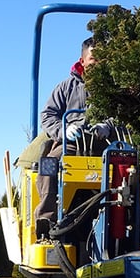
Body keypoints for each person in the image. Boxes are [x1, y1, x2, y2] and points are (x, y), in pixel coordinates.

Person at [34, 37, 114, 232]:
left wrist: (108, 126)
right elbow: (47, 115)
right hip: (71, 145)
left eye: (103, 59)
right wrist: (64, 130)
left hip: (105, 145)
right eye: (94, 59)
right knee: (48, 164)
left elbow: (126, 116)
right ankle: (46, 220)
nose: (98, 63)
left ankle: (138, 223)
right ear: (83, 60)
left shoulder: (115, 88)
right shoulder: (66, 88)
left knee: (135, 169)